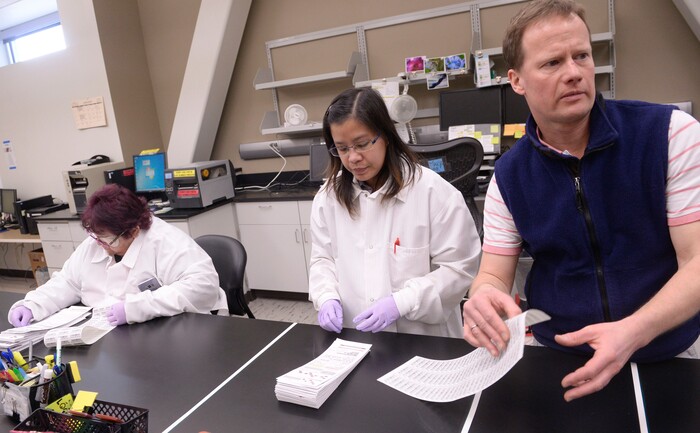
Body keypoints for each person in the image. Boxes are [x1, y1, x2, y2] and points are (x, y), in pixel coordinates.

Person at [462, 0, 700, 401]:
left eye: (582, 56)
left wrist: (633, 331)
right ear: (517, 81)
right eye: (552, 63)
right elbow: (493, 276)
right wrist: (481, 297)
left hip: (668, 352)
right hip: (560, 359)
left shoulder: (669, 135)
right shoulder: (510, 175)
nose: (573, 73)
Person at [309, 87, 481, 338]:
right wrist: (326, 297)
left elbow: (459, 270)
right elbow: (322, 260)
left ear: (386, 136)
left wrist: (402, 302)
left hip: (422, 339)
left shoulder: (434, 193)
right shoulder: (328, 197)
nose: (353, 157)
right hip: (356, 334)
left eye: (362, 144)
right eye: (342, 148)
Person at [8, 184, 228, 327]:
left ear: (133, 231)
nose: (101, 246)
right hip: (108, 331)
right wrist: (32, 304)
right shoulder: (97, 241)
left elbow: (203, 285)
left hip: (172, 328)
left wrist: (137, 307)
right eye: (97, 237)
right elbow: (68, 282)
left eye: (108, 240)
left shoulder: (167, 242)